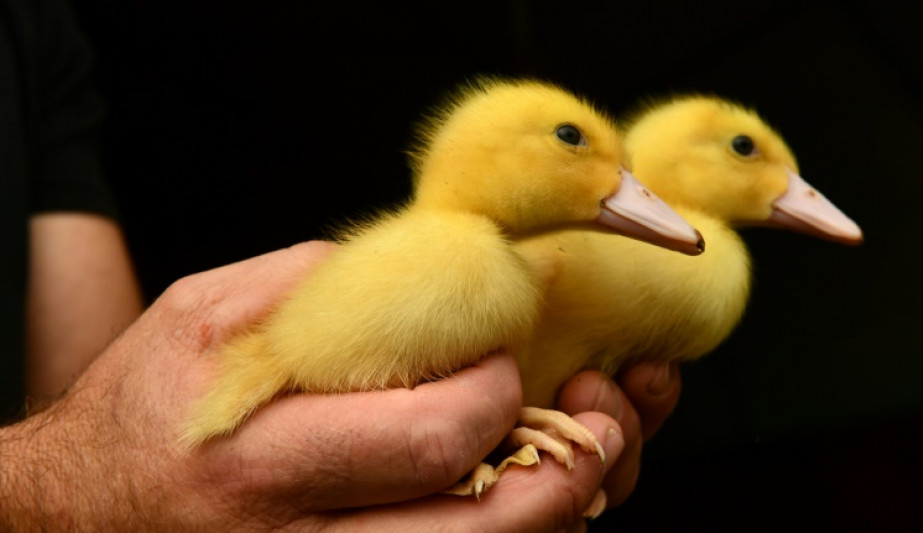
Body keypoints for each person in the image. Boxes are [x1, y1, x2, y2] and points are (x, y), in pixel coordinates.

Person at [0, 0, 681, 529]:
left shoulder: (38, 40)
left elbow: (90, 385)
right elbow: (109, 439)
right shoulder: (460, 257)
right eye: (572, 142)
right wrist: (60, 487)